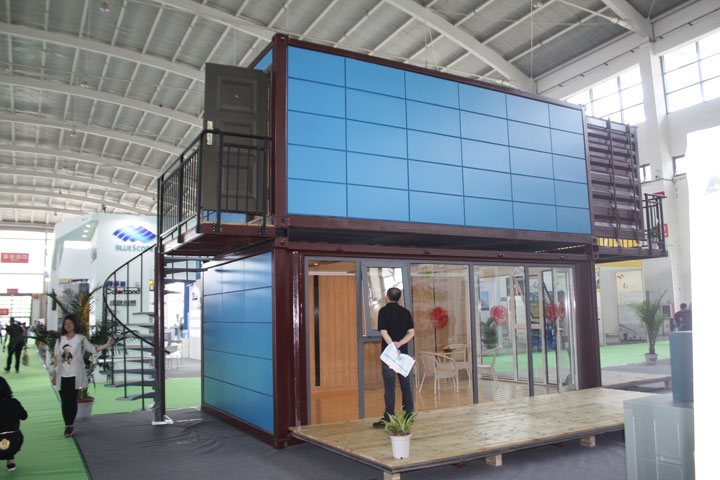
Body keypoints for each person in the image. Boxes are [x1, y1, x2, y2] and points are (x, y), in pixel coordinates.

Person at [51, 315, 114, 437]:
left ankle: (70, 425)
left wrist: (107, 345)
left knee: (71, 400)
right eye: (65, 324)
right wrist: (54, 375)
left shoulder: (80, 339)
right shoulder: (60, 339)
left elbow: (93, 349)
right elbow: (56, 359)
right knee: (64, 401)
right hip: (61, 375)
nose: (68, 326)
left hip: (75, 375)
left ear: (74, 325)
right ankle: (67, 423)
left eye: (70, 323)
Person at [373, 287, 415, 428]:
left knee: (389, 388)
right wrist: (399, 344)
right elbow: (411, 333)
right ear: (400, 298)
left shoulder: (383, 312)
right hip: (403, 354)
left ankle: (389, 417)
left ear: (387, 297)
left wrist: (392, 346)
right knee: (406, 387)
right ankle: (408, 416)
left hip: (389, 356)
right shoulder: (406, 312)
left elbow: (384, 333)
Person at [0, 376, 28, 472]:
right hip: (14, 443)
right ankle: (10, 461)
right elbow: (24, 416)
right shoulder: (14, 402)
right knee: (10, 431)